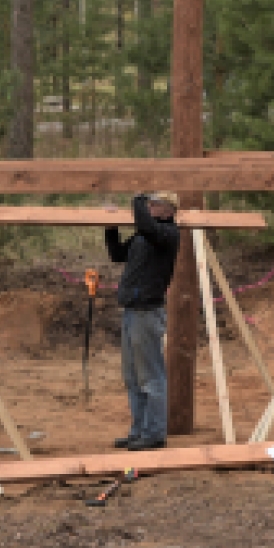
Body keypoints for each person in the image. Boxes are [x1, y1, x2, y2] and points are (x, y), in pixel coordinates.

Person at [104, 191, 180, 451]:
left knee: (151, 377)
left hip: (147, 312)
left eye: (154, 205)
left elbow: (146, 226)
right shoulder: (143, 237)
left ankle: (154, 433)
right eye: (149, 204)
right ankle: (140, 431)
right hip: (132, 310)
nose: (150, 208)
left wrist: (136, 199)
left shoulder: (168, 235)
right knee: (133, 377)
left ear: (169, 211)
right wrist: (111, 228)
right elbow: (116, 254)